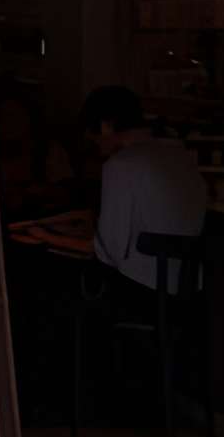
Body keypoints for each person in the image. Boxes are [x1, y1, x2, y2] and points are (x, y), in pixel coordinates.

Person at [82, 85, 204, 293]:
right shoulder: (182, 156)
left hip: (145, 287)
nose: (97, 147)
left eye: (94, 139)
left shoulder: (121, 164)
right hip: (189, 285)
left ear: (106, 126)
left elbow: (110, 250)